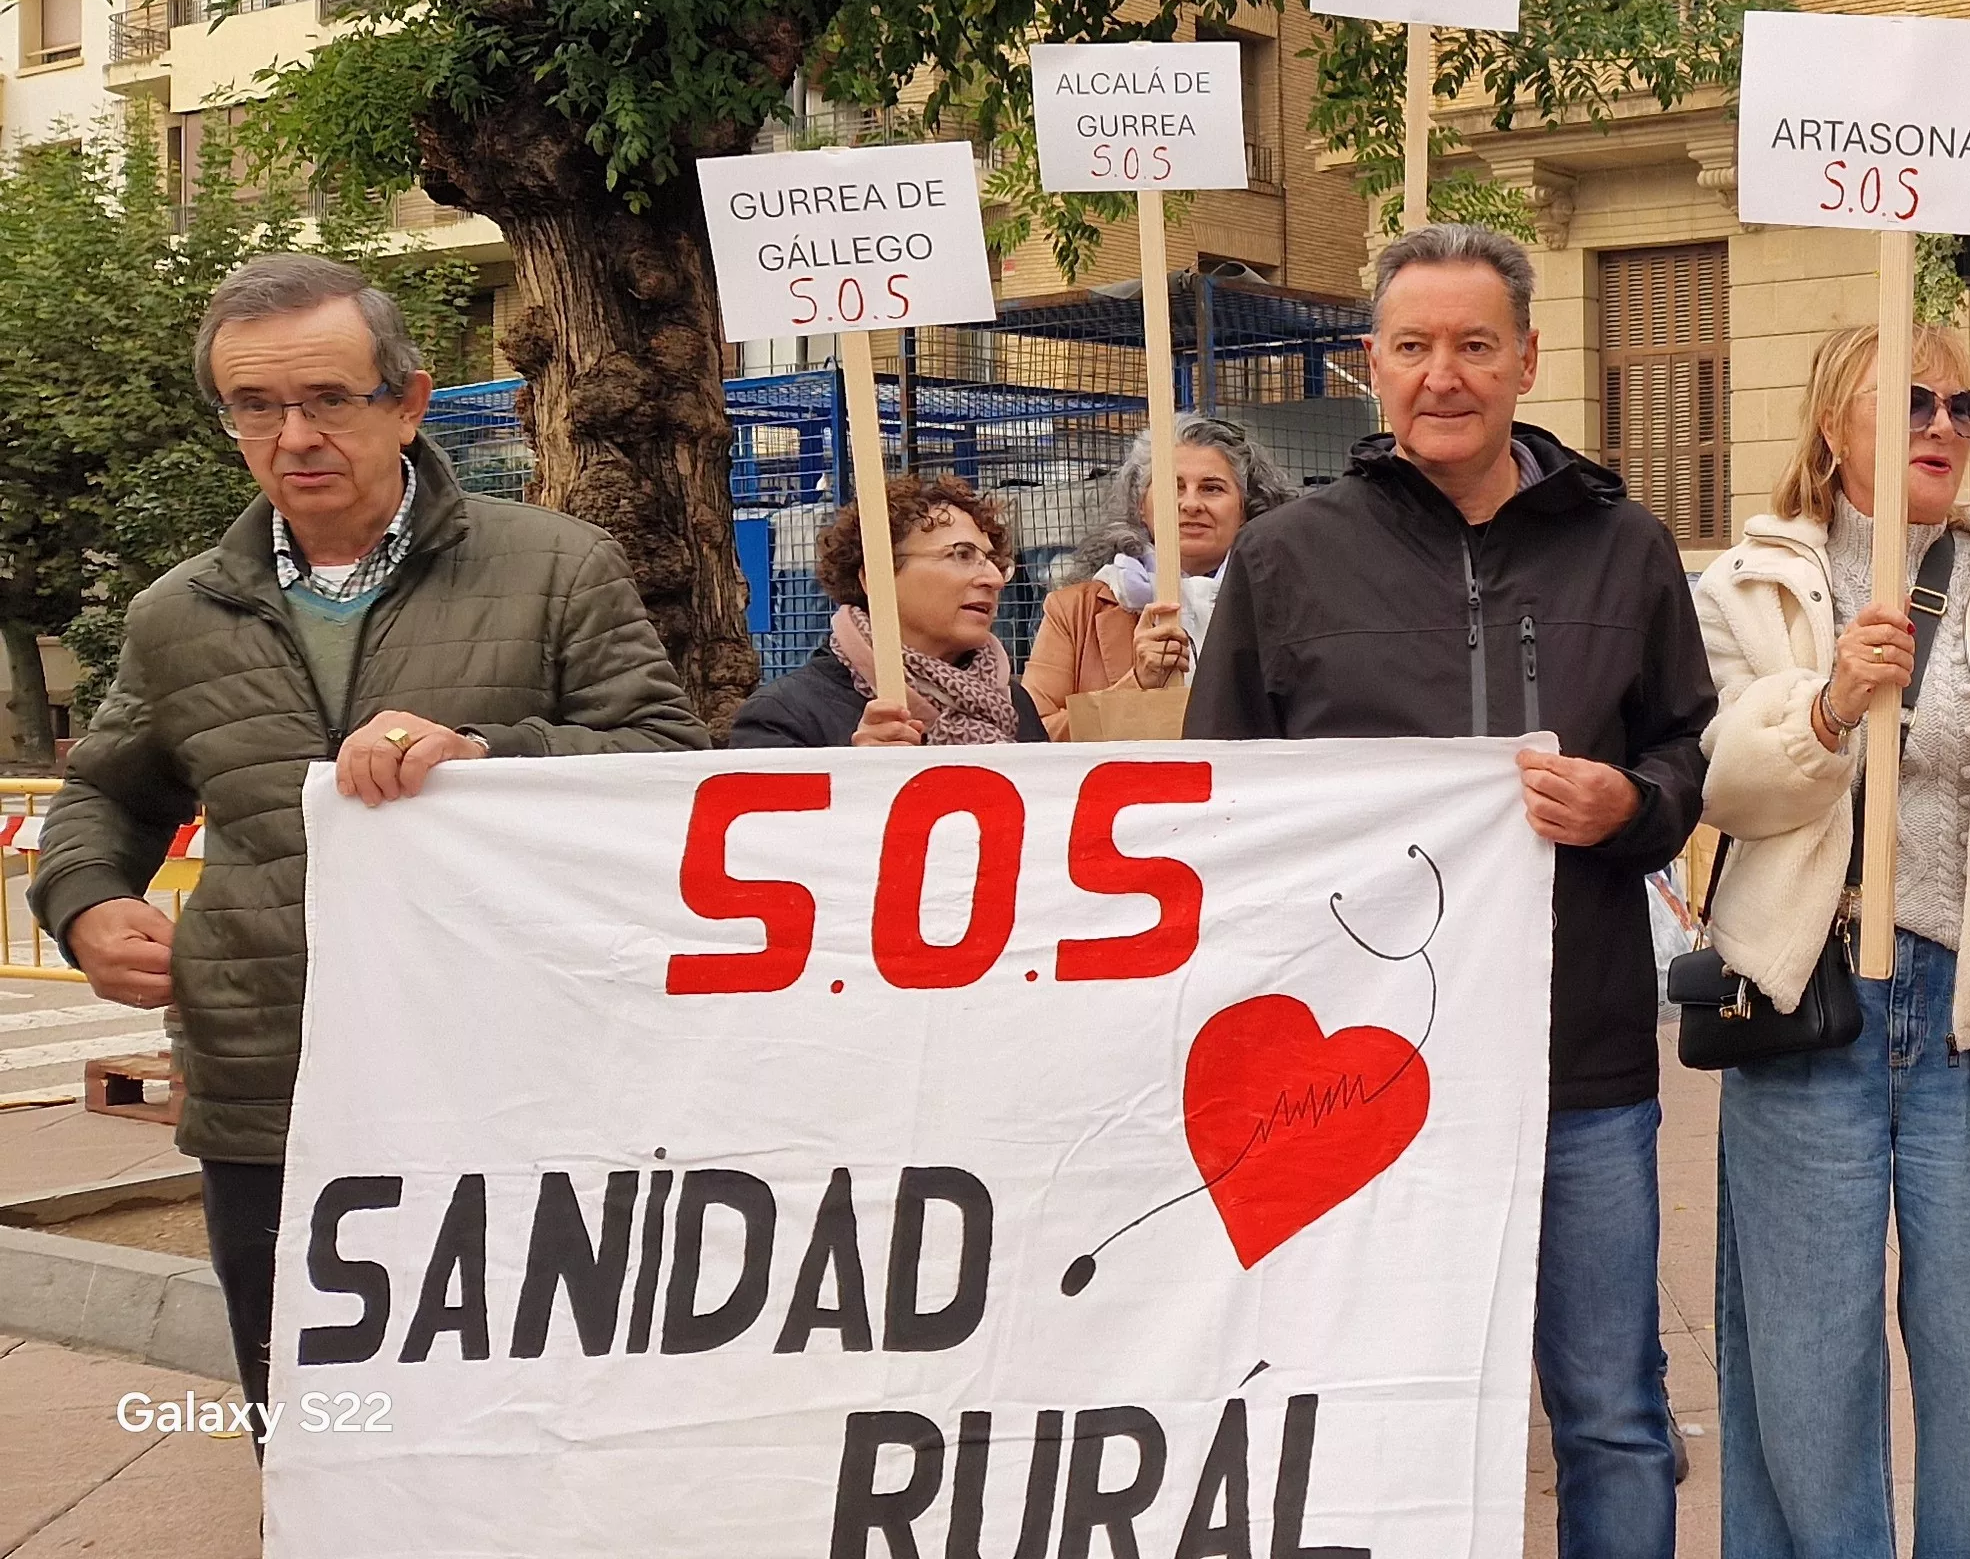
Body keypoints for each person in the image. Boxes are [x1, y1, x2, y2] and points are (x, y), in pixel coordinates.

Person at [29, 253, 708, 1432]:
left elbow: (665, 760)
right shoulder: (177, 613)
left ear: (408, 402)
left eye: (328, 399)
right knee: (307, 1419)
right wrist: (87, 900)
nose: (293, 436)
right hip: (267, 1084)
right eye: (254, 405)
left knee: (525, 1409)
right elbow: (105, 794)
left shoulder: (556, 568)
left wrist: (485, 753)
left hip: (512, 1074)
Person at [1187, 223, 1714, 1559]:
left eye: (1475, 345)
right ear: (1371, 364)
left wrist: (1632, 805)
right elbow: (1218, 800)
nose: (1444, 375)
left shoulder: (1626, 548)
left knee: (1610, 1411)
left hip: (1579, 1067)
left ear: (1527, 361)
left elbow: (1684, 751)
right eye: (1414, 346)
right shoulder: (1285, 559)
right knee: (1373, 1405)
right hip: (1359, 1079)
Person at [1693, 323, 1970, 1558]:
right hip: (1805, 1001)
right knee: (1802, 1352)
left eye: (1963, 405)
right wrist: (1826, 707)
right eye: (1912, 401)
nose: (1942, 425)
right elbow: (1725, 787)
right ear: (1836, 424)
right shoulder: (1748, 585)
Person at [729, 475, 1047, 747]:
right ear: (876, 577)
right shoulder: (784, 717)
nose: (993, 579)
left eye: (994, 561)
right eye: (962, 555)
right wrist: (859, 774)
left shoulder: (1013, 703)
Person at [1025, 415, 1295, 736]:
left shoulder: (1289, 605)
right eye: (1172, 487)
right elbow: (1034, 734)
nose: (1191, 504)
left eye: (1211, 488)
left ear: (1246, 508)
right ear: (1141, 505)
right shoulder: (1074, 611)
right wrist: (1136, 687)